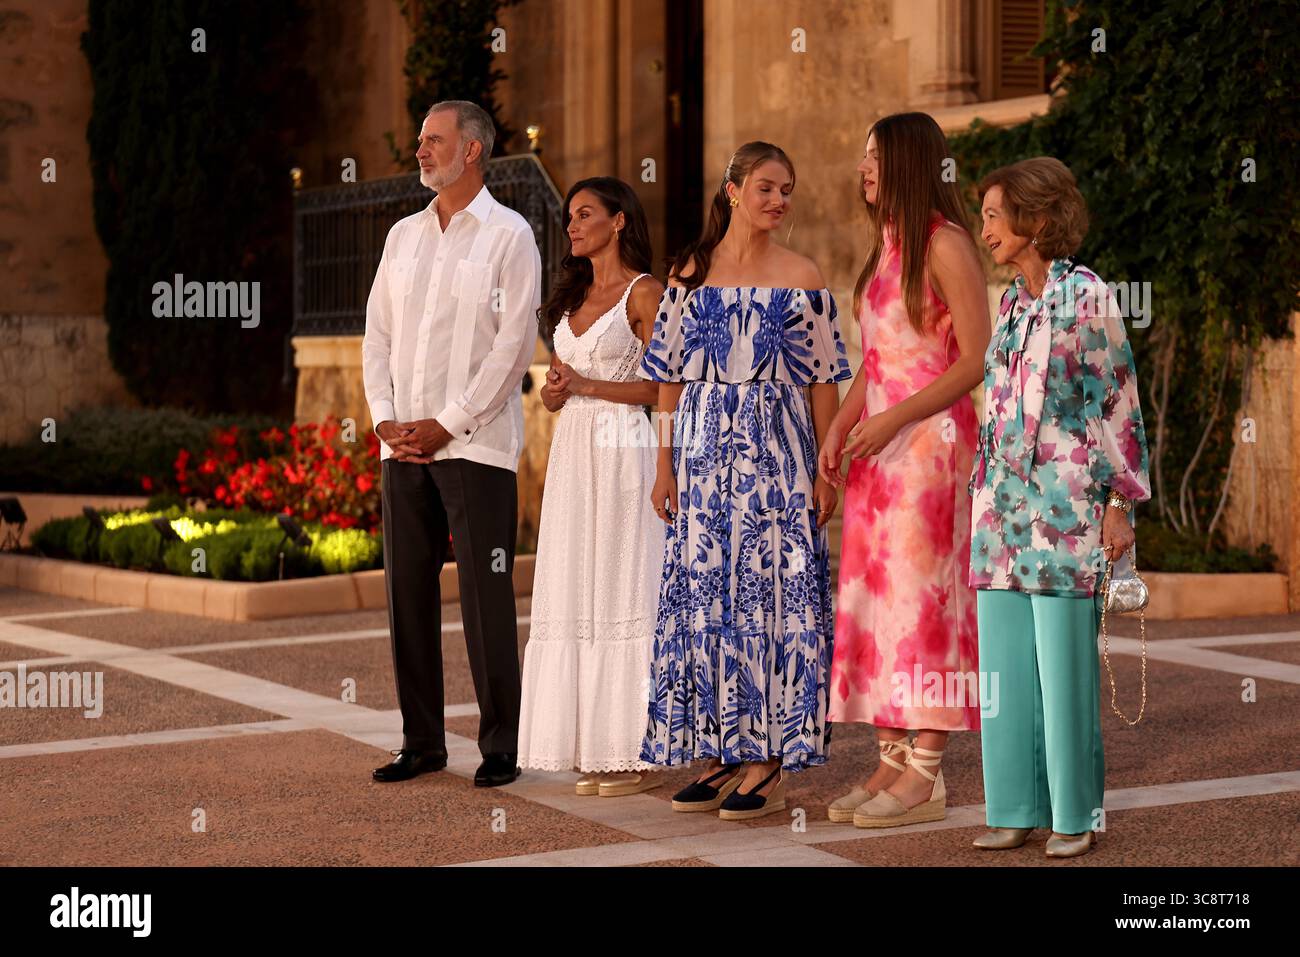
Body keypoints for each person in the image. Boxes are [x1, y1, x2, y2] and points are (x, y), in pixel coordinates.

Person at [639, 141, 851, 821]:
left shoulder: (804, 275)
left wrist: (827, 467)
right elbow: (668, 378)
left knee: (772, 598)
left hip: (778, 457)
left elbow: (822, 379)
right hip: (702, 461)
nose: (779, 201)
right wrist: (664, 463)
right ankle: (724, 745)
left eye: (787, 190)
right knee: (709, 595)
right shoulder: (688, 274)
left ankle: (768, 755)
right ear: (733, 190)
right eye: (765, 187)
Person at [969, 156, 1150, 857]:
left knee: (1064, 667)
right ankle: (1013, 807)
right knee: (1006, 670)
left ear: (1036, 220)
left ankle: (1075, 816)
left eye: (992, 214)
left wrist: (1119, 502)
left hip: (1068, 507)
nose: (984, 228)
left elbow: (1117, 398)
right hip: (1002, 514)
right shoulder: (1013, 300)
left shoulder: (1089, 295)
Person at [362, 100, 541, 788]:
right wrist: (386, 417)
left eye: (432, 140)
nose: (419, 149)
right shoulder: (402, 236)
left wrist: (451, 421)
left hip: (477, 448)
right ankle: (422, 740)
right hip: (402, 448)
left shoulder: (509, 235)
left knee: (485, 595)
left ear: (472, 150)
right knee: (407, 596)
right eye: (418, 140)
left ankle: (500, 744)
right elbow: (376, 334)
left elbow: (513, 346)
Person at [818, 112, 989, 829]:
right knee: (877, 607)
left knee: (925, 606)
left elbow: (976, 359)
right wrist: (843, 420)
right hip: (878, 456)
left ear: (909, 165)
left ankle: (926, 772)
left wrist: (893, 419)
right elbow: (879, 360)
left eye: (875, 157)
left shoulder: (944, 245)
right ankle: (890, 755)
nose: (863, 169)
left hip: (930, 450)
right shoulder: (885, 249)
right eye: (862, 157)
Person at [516, 177, 666, 796]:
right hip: (575, 456)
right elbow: (563, 384)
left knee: (622, 584)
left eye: (585, 214)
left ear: (620, 220)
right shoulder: (572, 296)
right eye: (569, 217)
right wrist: (556, 394)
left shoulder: (646, 292)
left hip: (625, 452)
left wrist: (585, 387)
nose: (572, 226)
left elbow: (667, 387)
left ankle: (634, 751)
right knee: (579, 587)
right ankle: (594, 746)